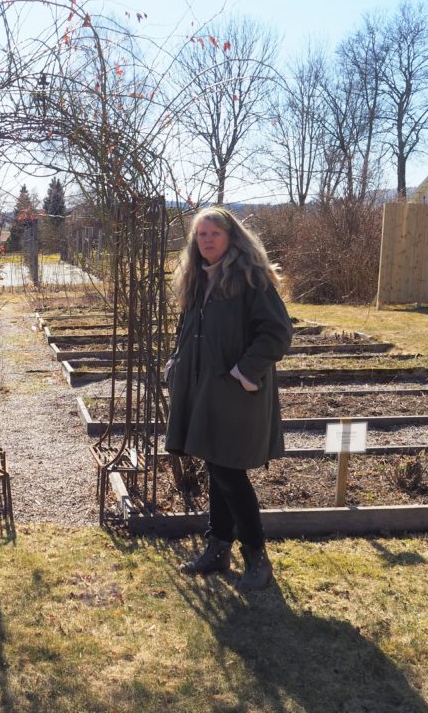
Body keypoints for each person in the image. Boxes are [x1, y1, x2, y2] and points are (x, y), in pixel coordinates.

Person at [164, 207, 293, 592]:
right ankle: (218, 548)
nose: (206, 240)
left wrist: (244, 372)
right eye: (200, 234)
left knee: (229, 472)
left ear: (231, 237)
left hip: (236, 392)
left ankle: (256, 557)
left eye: (214, 234)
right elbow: (188, 326)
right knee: (217, 466)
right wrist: (176, 359)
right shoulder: (198, 279)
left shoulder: (250, 279)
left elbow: (277, 333)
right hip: (203, 390)